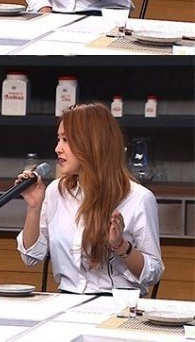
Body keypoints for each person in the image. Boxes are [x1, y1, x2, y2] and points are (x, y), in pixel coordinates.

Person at [15, 102, 163, 296]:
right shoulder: (55, 192)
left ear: (92, 144)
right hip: (66, 301)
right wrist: (34, 208)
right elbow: (30, 257)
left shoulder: (139, 198)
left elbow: (153, 274)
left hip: (117, 303)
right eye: (59, 139)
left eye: (66, 140)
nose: (58, 148)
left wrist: (120, 246)